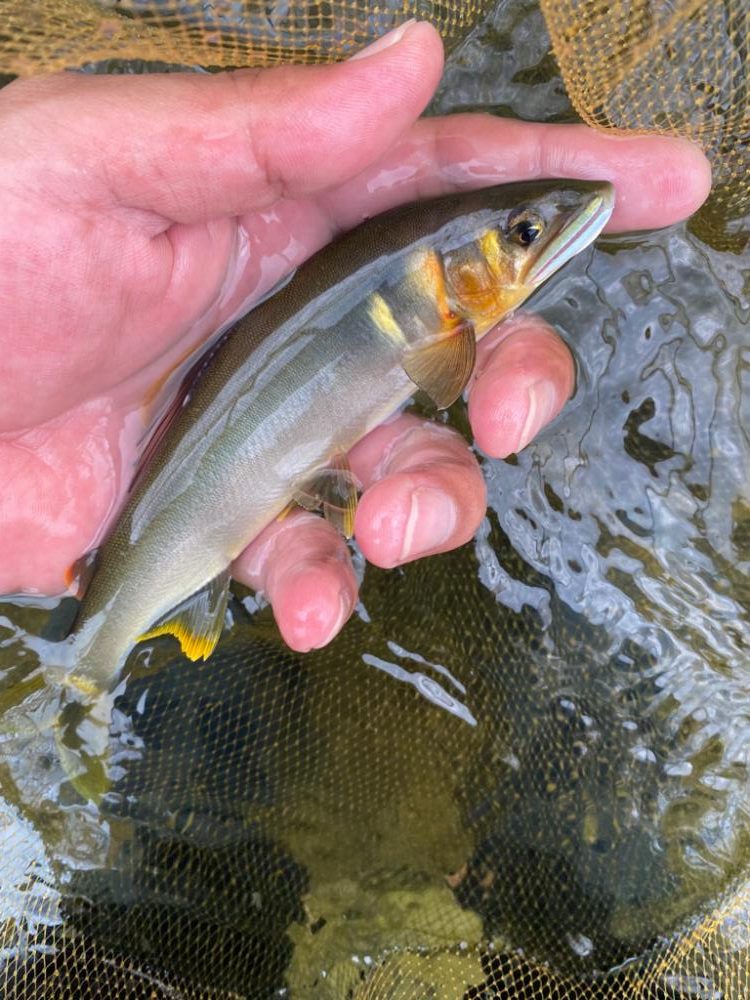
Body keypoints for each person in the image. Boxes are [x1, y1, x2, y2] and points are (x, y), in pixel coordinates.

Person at [0, 21, 711, 652]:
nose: (542, 237)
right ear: (447, 280)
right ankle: (87, 666)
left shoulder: (440, 312)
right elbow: (442, 380)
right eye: (525, 235)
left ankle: (88, 660)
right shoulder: (446, 335)